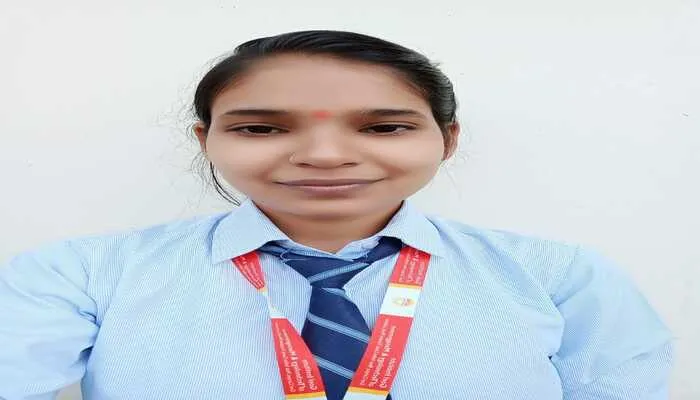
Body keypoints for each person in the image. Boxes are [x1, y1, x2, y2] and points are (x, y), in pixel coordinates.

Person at [0, 30, 673, 400]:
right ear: (206, 139)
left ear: (447, 139)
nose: (324, 156)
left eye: (383, 127)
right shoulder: (80, 276)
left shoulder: (559, 277)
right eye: (262, 128)